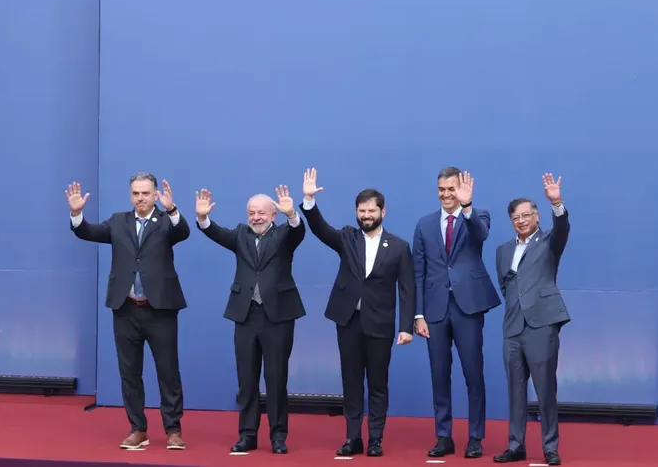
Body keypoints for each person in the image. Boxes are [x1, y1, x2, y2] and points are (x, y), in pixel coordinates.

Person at [65, 173, 191, 451]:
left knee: (168, 372)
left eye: (146, 193)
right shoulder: (118, 221)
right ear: (130, 195)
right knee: (129, 373)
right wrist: (76, 215)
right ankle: (138, 429)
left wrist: (171, 209)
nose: (140, 198)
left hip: (161, 310)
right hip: (125, 309)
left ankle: (173, 429)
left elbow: (183, 232)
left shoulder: (166, 222)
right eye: (136, 193)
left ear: (155, 194)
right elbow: (88, 232)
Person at [298, 168, 416, 457]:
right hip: (348, 322)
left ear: (382, 212)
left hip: (380, 325)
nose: (366, 215)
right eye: (361, 210)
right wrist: (309, 201)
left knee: (378, 384)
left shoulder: (399, 247)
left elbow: (407, 289)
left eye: (371, 210)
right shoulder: (347, 238)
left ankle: (375, 439)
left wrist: (406, 327)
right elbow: (320, 229)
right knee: (350, 382)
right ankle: (353, 438)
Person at [194, 185, 306, 455]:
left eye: (261, 213)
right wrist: (202, 219)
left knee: (276, 378)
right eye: (251, 213)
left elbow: (298, 231)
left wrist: (293, 213)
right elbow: (216, 233)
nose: (256, 217)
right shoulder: (241, 235)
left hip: (278, 316)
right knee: (247, 380)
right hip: (245, 315)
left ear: (273, 215)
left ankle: (278, 436)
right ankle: (247, 435)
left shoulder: (284, 235)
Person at [413, 168, 501, 458]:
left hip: (468, 306)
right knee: (439, 374)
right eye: (442, 189)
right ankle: (443, 435)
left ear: (461, 189)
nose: (447, 194)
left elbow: (481, 234)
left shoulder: (478, 215)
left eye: (452, 188)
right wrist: (418, 314)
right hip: (435, 309)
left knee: (473, 373)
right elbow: (418, 272)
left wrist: (467, 206)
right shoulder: (424, 224)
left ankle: (475, 437)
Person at [493, 173, 570, 467]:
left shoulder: (550, 241)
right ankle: (516, 445)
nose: (522, 220)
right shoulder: (502, 250)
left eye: (527, 215)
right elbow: (506, 285)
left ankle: (550, 447)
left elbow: (562, 227)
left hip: (542, 324)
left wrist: (557, 202)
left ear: (537, 217)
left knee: (545, 389)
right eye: (516, 217)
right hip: (513, 327)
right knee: (515, 390)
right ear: (511, 220)